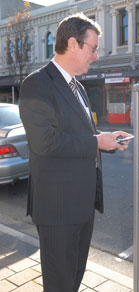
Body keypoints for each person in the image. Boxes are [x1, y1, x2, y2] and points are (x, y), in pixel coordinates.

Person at [19, 13, 131, 292]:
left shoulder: (78, 87)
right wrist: (96, 142)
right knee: (59, 285)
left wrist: (107, 141)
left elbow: (79, 135)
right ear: (72, 44)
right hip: (57, 209)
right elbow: (45, 142)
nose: (96, 56)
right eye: (92, 48)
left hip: (82, 205)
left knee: (73, 280)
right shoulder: (37, 84)